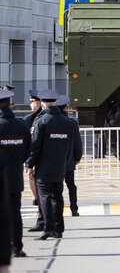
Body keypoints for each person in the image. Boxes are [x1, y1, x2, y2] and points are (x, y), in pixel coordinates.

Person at [26, 90, 83, 240]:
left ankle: (48, 227)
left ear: (43, 103)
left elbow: (35, 146)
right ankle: (59, 228)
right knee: (58, 196)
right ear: (56, 103)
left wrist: (30, 165)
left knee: (44, 196)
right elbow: (74, 144)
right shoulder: (68, 122)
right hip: (62, 165)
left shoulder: (41, 121)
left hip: (44, 166)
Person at [0, 90, 30, 258]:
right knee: (15, 212)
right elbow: (28, 150)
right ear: (11, 105)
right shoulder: (22, 125)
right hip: (15, 176)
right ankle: (17, 246)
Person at [56, 95, 81, 216]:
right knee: (71, 185)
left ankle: (58, 210)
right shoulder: (71, 123)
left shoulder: (52, 121)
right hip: (69, 160)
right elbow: (77, 142)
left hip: (56, 161)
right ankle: (74, 208)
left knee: (57, 186)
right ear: (65, 108)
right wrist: (78, 157)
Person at [22, 90, 42, 207]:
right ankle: (35, 198)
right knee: (30, 175)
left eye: (32, 102)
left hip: (39, 153)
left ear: (39, 102)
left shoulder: (41, 117)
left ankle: (40, 197)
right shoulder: (28, 119)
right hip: (31, 153)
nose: (30, 104)